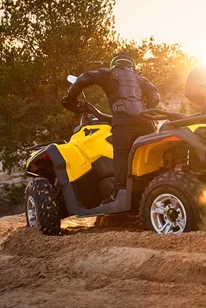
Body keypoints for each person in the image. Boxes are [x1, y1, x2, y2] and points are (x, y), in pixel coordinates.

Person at [61, 53, 160, 204]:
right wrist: (147, 109)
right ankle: (157, 187)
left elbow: (84, 77)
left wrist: (70, 98)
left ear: (114, 63)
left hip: (123, 122)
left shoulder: (108, 73)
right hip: (146, 123)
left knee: (121, 155)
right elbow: (155, 95)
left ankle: (119, 193)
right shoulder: (140, 79)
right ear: (131, 65)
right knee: (151, 157)